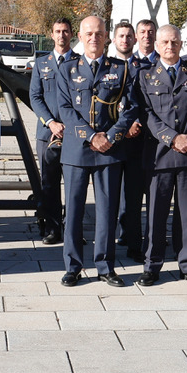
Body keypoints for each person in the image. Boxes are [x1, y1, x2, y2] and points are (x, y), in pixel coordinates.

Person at [56, 15, 138, 287]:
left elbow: (131, 108)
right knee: (74, 212)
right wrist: (91, 136)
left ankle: (105, 266)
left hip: (109, 151)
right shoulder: (66, 69)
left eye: (99, 34)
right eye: (89, 33)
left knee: (107, 211)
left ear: (107, 37)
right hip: (77, 151)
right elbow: (65, 109)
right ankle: (73, 266)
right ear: (80, 37)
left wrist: (111, 136)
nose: (94, 38)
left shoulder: (121, 69)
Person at [138, 24, 187, 286]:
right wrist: (172, 138)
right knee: (156, 215)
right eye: (164, 43)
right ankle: (152, 265)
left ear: (182, 44)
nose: (169, 47)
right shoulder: (145, 75)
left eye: (174, 42)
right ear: (156, 45)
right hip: (160, 155)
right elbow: (147, 114)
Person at [28, 18, 76, 245]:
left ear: (72, 34)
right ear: (51, 34)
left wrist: (71, 125)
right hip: (47, 133)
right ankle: (52, 229)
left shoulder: (80, 61)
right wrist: (50, 122)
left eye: (65, 31)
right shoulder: (41, 63)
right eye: (58, 31)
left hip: (74, 133)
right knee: (49, 183)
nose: (61, 35)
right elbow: (35, 97)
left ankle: (74, 230)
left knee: (75, 183)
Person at [111, 20, 149, 261]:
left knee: (135, 198)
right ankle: (108, 247)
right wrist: (121, 128)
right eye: (121, 36)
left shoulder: (145, 67)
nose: (125, 40)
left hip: (137, 141)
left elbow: (150, 103)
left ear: (135, 40)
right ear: (114, 40)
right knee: (110, 198)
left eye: (129, 36)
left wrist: (137, 124)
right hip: (114, 141)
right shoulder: (105, 67)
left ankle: (135, 245)